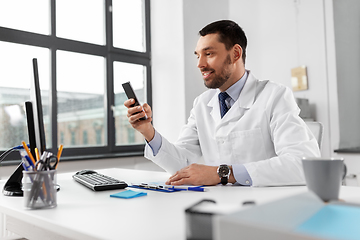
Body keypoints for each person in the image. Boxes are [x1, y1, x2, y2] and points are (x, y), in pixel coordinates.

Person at [124, 20, 320, 187]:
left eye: (208, 54)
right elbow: (181, 164)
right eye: (198, 55)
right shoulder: (202, 103)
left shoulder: (275, 96)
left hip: (265, 210)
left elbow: (303, 164)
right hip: (216, 205)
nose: (200, 64)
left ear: (235, 54)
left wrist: (222, 173)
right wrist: (147, 130)